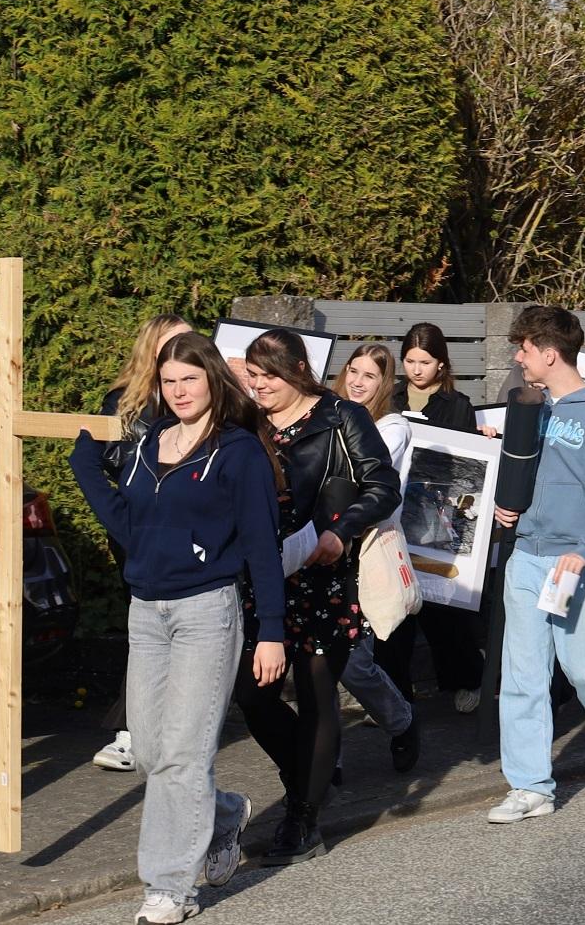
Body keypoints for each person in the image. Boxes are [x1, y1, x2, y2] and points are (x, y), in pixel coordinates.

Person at [69, 331, 287, 924]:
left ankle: (169, 888)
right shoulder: (146, 445)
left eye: (189, 378)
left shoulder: (237, 452)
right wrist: (90, 472)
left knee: (184, 757)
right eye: (168, 380)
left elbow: (262, 546)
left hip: (206, 614)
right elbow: (128, 525)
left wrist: (271, 630)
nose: (179, 390)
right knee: (149, 753)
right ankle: (222, 814)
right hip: (147, 614)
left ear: (213, 379)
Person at [235, 329, 401, 865]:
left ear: (298, 372)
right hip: (261, 574)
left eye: (269, 378)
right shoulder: (246, 419)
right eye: (253, 377)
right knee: (254, 696)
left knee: (315, 693)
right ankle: (306, 775)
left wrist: (342, 530)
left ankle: (302, 816)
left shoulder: (340, 417)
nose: (259, 387)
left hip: (320, 572)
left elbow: (383, 485)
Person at [487, 307, 585, 823]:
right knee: (523, 678)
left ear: (549, 354)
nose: (518, 357)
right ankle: (530, 786)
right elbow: (526, 478)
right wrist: (509, 504)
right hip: (527, 558)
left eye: (525, 349)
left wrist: (584, 551)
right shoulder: (535, 410)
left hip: (582, 565)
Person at [90, 313, 194, 776]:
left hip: (191, 530)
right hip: (139, 530)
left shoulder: (202, 399)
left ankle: (156, 729)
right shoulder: (123, 401)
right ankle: (132, 732)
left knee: (185, 627)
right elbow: (101, 462)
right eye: (173, 344)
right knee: (148, 629)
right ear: (151, 349)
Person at [378, 323, 484, 718]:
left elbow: (466, 467)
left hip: (436, 519)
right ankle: (392, 697)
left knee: (444, 611)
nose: (416, 369)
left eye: (425, 362)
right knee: (394, 609)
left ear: (442, 364)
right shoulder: (388, 397)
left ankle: (467, 678)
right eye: (409, 361)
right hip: (391, 518)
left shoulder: (457, 405)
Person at [331, 344, 420, 774]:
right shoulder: (329, 414)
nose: (358, 381)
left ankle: (401, 721)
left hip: (363, 553)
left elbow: (359, 479)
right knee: (317, 664)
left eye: (369, 375)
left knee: (354, 664)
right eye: (353, 371)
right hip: (318, 549)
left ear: (385, 383)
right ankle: (326, 762)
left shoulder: (391, 426)